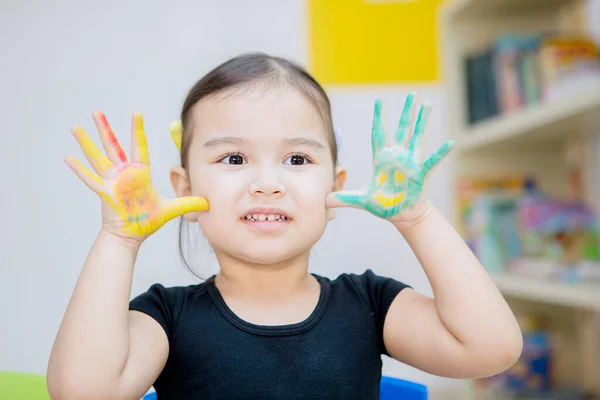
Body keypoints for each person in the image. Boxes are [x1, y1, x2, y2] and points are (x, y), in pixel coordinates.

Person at [47, 52, 523, 400]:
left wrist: (416, 217)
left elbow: (491, 349)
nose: (267, 183)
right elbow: (83, 391)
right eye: (234, 158)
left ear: (333, 190)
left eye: (297, 158)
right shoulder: (166, 318)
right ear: (185, 189)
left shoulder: (370, 304)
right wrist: (119, 238)